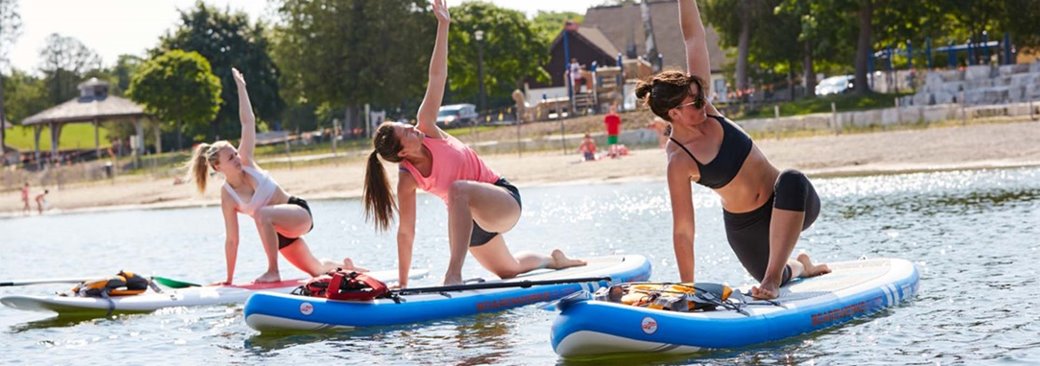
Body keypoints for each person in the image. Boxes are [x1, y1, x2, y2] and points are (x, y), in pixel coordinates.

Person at [363, 0, 585, 287]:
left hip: (502, 201)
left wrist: (443, 25)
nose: (412, 127)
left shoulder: (427, 126)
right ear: (402, 152)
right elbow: (406, 232)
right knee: (509, 270)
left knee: (457, 189)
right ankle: (553, 260)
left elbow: (437, 77)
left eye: (406, 124)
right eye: (405, 131)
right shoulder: (407, 179)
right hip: (469, 222)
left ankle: (454, 274)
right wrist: (403, 284)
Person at [634, 0, 830, 300]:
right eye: (694, 103)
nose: (703, 102)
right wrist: (689, 289)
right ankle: (800, 265)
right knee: (783, 271)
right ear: (673, 113)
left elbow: (693, 37)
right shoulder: (678, 160)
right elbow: (684, 231)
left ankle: (772, 280)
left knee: (792, 178)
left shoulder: (707, 108)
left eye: (701, 97)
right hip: (746, 230)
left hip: (791, 202)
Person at [187, 67, 363, 284]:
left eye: (235, 153)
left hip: (298, 214)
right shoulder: (228, 196)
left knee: (261, 214)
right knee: (317, 271)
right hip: (279, 236)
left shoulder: (247, 161)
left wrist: (241, 87)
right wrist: (229, 280)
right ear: (217, 167)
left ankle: (273, 271)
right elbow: (232, 240)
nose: (237, 158)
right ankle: (348, 269)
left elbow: (247, 122)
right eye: (230, 158)